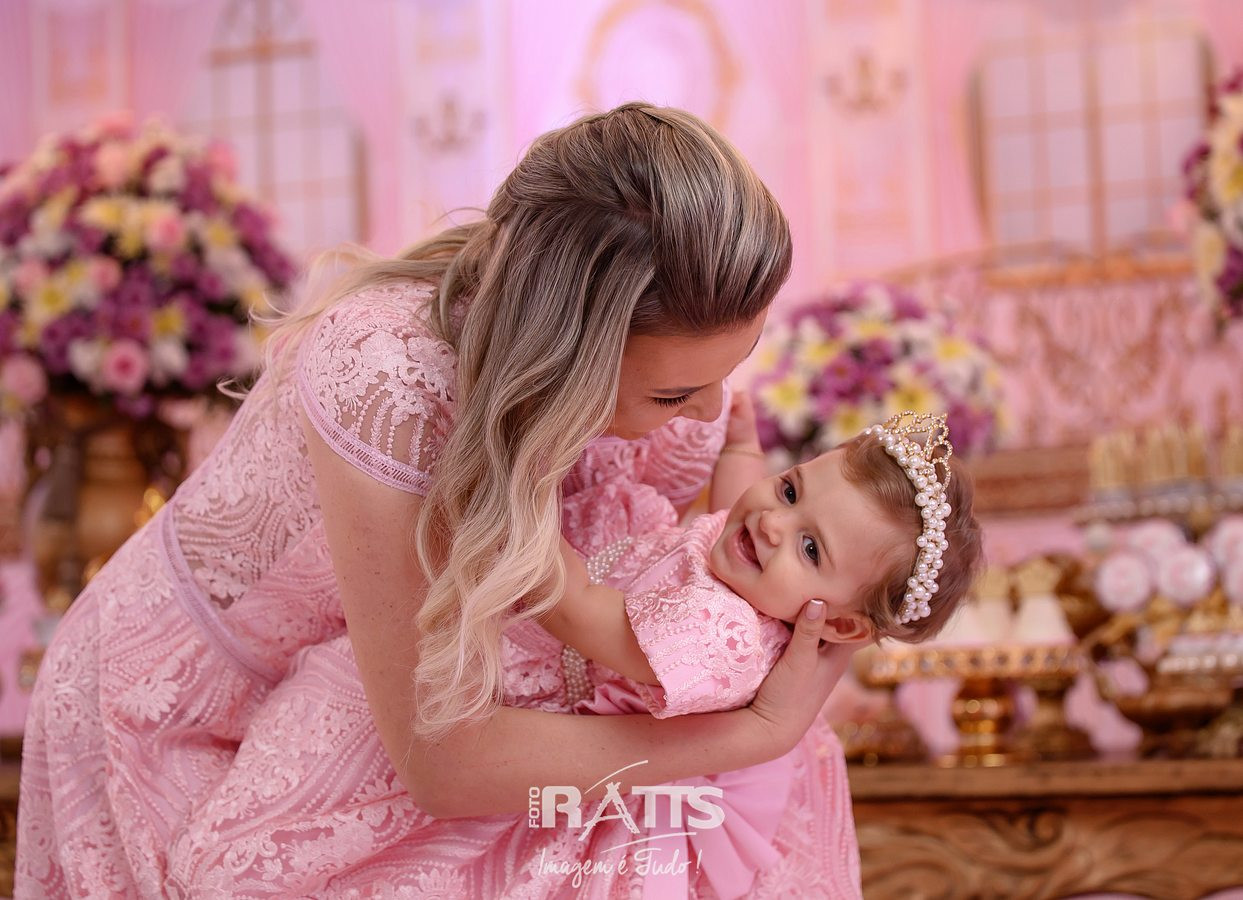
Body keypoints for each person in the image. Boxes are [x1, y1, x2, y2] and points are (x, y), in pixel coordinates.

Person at [17, 103, 859, 898]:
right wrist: (755, 734)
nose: (712, 413)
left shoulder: (665, 362)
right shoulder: (386, 379)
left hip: (364, 724)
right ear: (556, 359)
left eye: (729, 369)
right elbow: (447, 764)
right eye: (673, 396)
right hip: (171, 721)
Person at [544, 406, 983, 725]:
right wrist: (740, 446)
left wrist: (519, 493)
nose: (771, 523)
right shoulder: (754, 580)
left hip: (550, 633)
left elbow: (575, 610)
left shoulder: (723, 641)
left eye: (810, 549)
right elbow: (728, 510)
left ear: (841, 625)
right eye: (790, 491)